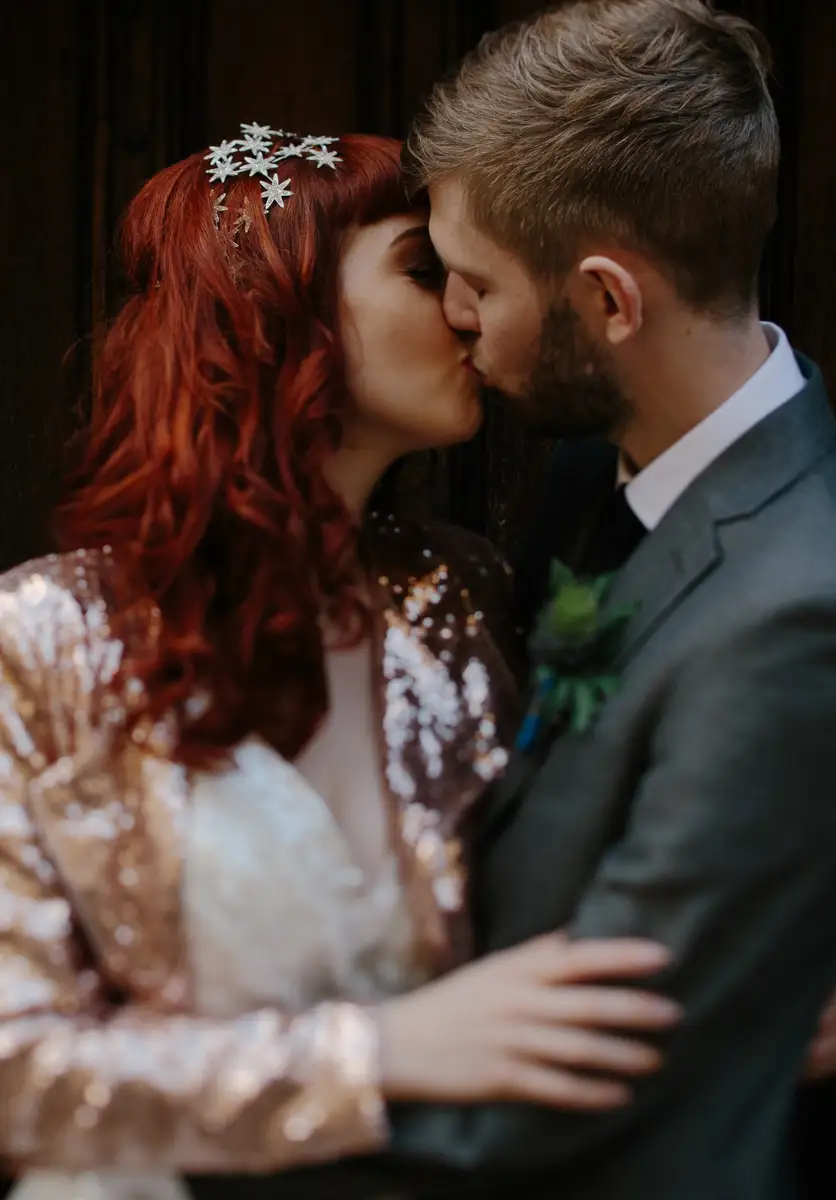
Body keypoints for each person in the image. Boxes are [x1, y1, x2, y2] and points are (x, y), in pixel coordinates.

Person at [0, 126, 684, 1200]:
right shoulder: (41, 635)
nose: (467, 309)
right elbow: (16, 1069)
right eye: (424, 271)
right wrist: (376, 1054)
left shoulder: (458, 593)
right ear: (282, 310)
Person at [378, 2, 836, 1198]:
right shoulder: (593, 466)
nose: (453, 315)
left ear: (607, 301)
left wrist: (182, 1126)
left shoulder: (790, 612)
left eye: (474, 280)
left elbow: (600, 1074)